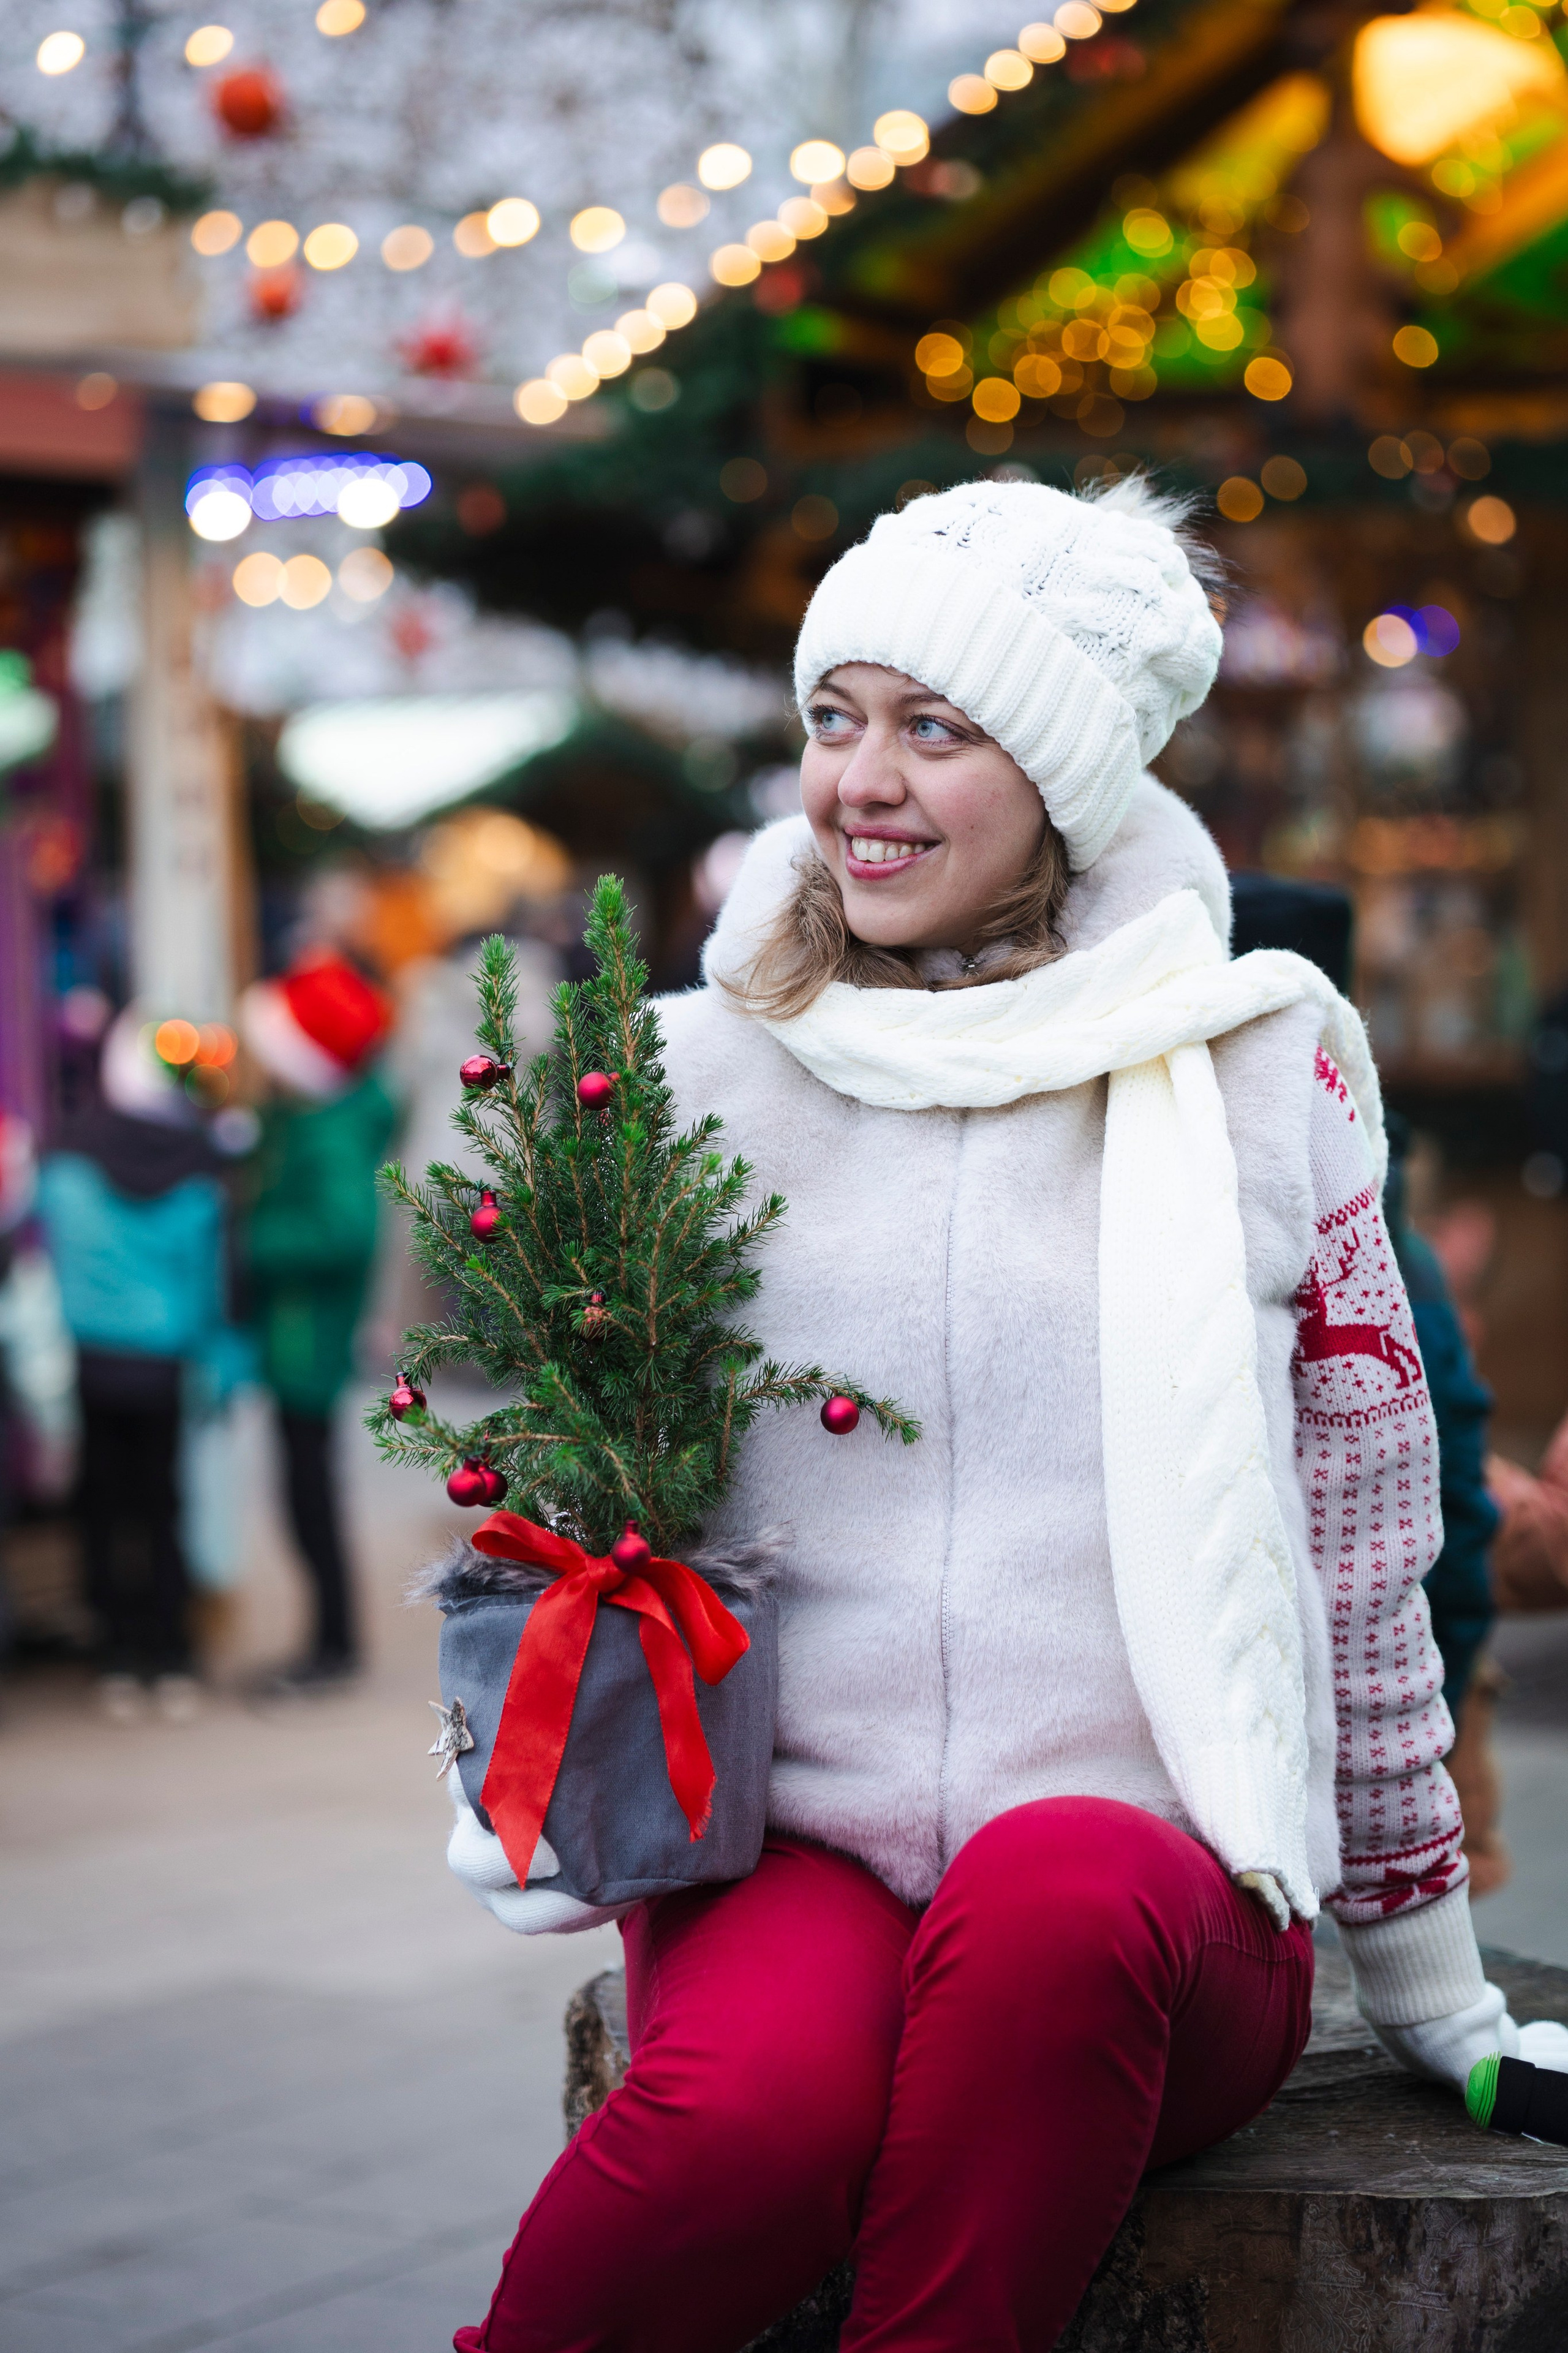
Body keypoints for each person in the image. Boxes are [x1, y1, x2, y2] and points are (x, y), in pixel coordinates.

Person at [440, 481, 1567, 2353]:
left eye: (934, 729)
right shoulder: (681, 1073)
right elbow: (570, 1496)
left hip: (1150, 1883)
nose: (859, 781)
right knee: (747, 2120)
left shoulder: (1252, 1066)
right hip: (801, 1841)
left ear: (1062, 774)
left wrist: (1440, 1994)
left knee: (1053, 1900)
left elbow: (1367, 1556)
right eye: (833, 717)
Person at [37, 1010, 228, 1722]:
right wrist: (216, 1354)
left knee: (102, 1508)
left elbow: (46, 1252)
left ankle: (116, 1654)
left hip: (91, 1358)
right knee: (165, 1505)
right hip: (166, 1360)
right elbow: (208, 1275)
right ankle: (172, 1653)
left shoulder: (66, 1159)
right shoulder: (199, 1163)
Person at [240, 952, 395, 1688]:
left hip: (307, 1337)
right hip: (299, 1333)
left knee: (310, 1498)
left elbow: (345, 1232)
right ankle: (329, 1640)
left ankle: (332, 1646)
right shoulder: (316, 1115)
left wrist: (255, 1241)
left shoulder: (329, 1135)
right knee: (302, 1493)